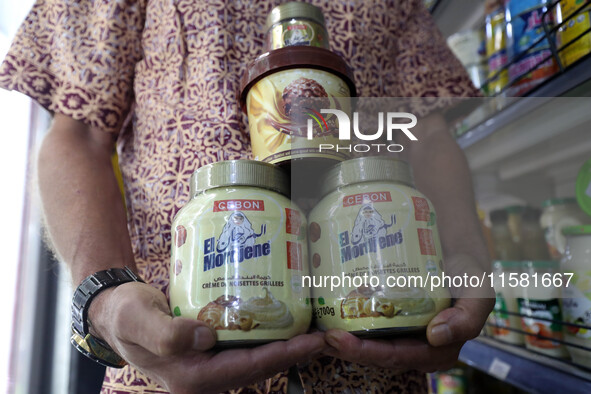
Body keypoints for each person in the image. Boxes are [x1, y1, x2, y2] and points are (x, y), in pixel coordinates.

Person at [0, 0, 494, 392]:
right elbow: (80, 132)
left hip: (386, 349)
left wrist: (467, 256)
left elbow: (427, 133)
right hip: (170, 353)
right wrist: (103, 296)